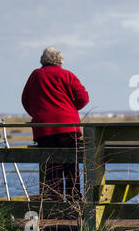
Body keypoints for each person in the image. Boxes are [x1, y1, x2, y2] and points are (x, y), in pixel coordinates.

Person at [22, 46, 89, 201]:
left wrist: (38, 114)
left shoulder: (36, 75)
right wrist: (70, 110)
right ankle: (74, 201)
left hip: (44, 128)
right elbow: (83, 98)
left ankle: (54, 202)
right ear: (60, 60)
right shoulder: (67, 75)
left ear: (43, 59)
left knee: (51, 168)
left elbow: (25, 99)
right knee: (71, 167)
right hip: (68, 127)